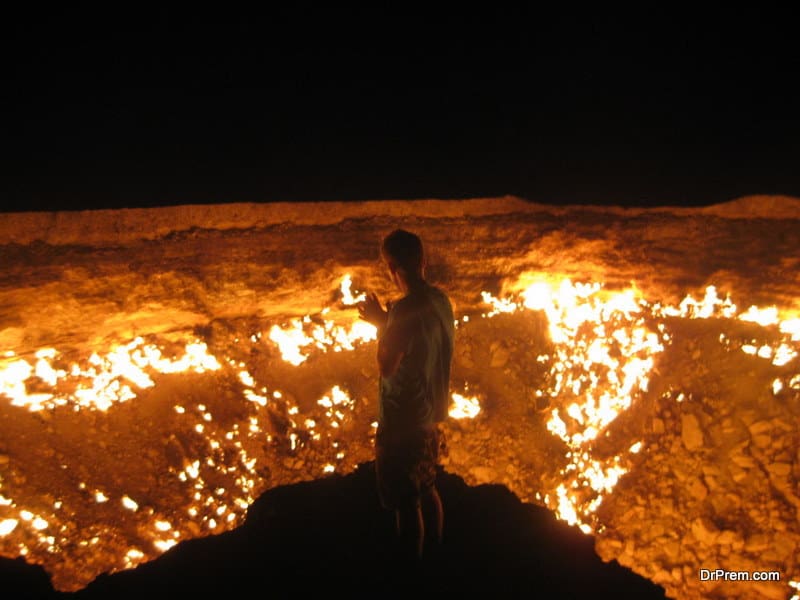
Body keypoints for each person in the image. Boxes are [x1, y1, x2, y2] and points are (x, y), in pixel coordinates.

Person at [357, 229, 455, 560]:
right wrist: (387, 321)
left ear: (391, 267)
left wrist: (381, 325)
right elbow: (418, 340)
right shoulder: (441, 301)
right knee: (427, 486)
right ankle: (438, 552)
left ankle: (410, 574)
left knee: (405, 501)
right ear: (423, 261)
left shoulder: (403, 310)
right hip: (429, 417)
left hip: (402, 421)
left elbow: (387, 365)